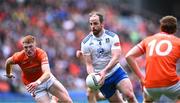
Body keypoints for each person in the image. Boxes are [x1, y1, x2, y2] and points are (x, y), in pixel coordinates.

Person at [80, 11, 138, 103]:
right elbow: (89, 64)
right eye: (91, 24)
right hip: (102, 79)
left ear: (102, 24)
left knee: (130, 96)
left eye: (95, 23)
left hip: (116, 72)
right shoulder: (85, 43)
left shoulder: (112, 37)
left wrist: (105, 71)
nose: (92, 26)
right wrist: (93, 76)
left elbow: (116, 57)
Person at [125, 16, 180, 102]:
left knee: (147, 100)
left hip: (151, 85)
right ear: (175, 30)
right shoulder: (178, 42)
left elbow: (129, 56)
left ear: (161, 27)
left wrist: (141, 78)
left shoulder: (148, 40)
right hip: (171, 84)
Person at [4, 35, 72, 103]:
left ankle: (54, 99)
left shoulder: (41, 54)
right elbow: (8, 62)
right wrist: (8, 73)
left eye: (30, 46)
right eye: (26, 47)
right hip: (34, 87)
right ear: (23, 47)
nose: (28, 50)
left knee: (68, 101)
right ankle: (54, 100)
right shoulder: (19, 56)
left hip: (47, 80)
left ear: (35, 45)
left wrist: (37, 82)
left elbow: (47, 73)